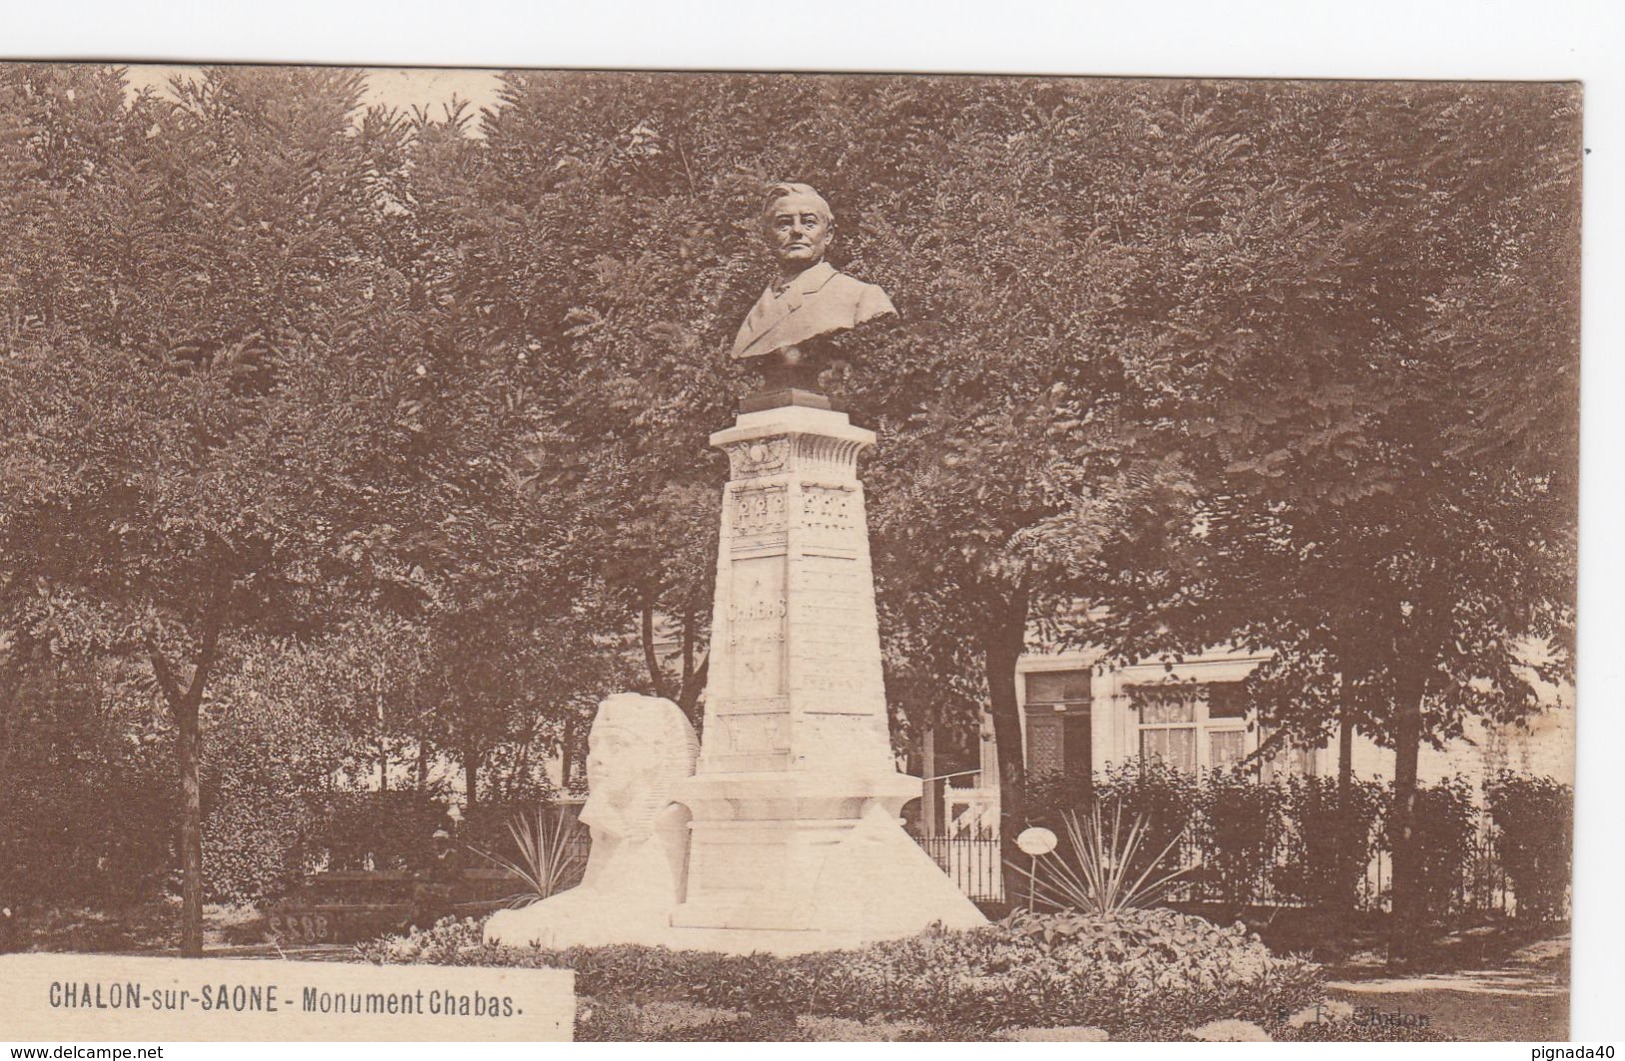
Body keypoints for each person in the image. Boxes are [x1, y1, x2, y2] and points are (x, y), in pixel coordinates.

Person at [731, 183, 896, 364]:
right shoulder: (758, 309)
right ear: (767, 236)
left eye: (809, 223)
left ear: (828, 235)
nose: (796, 231)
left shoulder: (862, 298)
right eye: (784, 224)